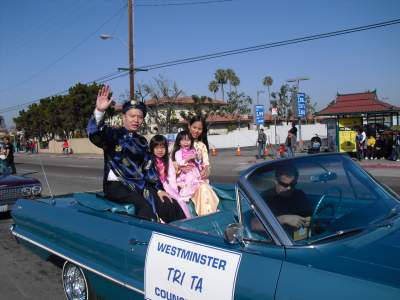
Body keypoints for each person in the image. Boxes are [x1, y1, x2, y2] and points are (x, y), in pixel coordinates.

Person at [87, 85, 185, 223]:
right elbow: (94, 134)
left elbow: (148, 168)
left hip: (140, 184)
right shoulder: (112, 135)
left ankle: (184, 234)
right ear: (124, 117)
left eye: (140, 117)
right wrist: (99, 111)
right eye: (132, 116)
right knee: (142, 206)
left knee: (169, 203)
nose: (136, 120)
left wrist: (158, 190)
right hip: (117, 186)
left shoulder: (142, 141)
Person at [172, 130, 219, 216]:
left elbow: (199, 162)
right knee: (191, 182)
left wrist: (198, 158)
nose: (186, 142)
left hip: (195, 172)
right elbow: (179, 162)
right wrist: (187, 159)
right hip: (186, 175)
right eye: (183, 140)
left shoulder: (194, 149)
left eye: (188, 140)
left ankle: (210, 210)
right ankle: (188, 192)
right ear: (179, 142)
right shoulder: (178, 152)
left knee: (202, 185)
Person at [261, 165, 312, 239]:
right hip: (277, 242)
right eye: (284, 185)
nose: (289, 188)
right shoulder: (265, 197)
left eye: (293, 184)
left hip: (299, 240)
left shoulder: (300, 195)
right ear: (275, 181)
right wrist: (284, 219)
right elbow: (254, 224)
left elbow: (308, 219)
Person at [150, 135, 191, 218]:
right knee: (169, 202)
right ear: (152, 148)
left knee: (178, 200)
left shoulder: (167, 160)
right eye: (157, 147)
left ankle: (185, 219)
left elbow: (171, 176)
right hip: (155, 186)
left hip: (166, 185)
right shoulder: (150, 160)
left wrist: (174, 191)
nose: (160, 150)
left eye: (162, 147)